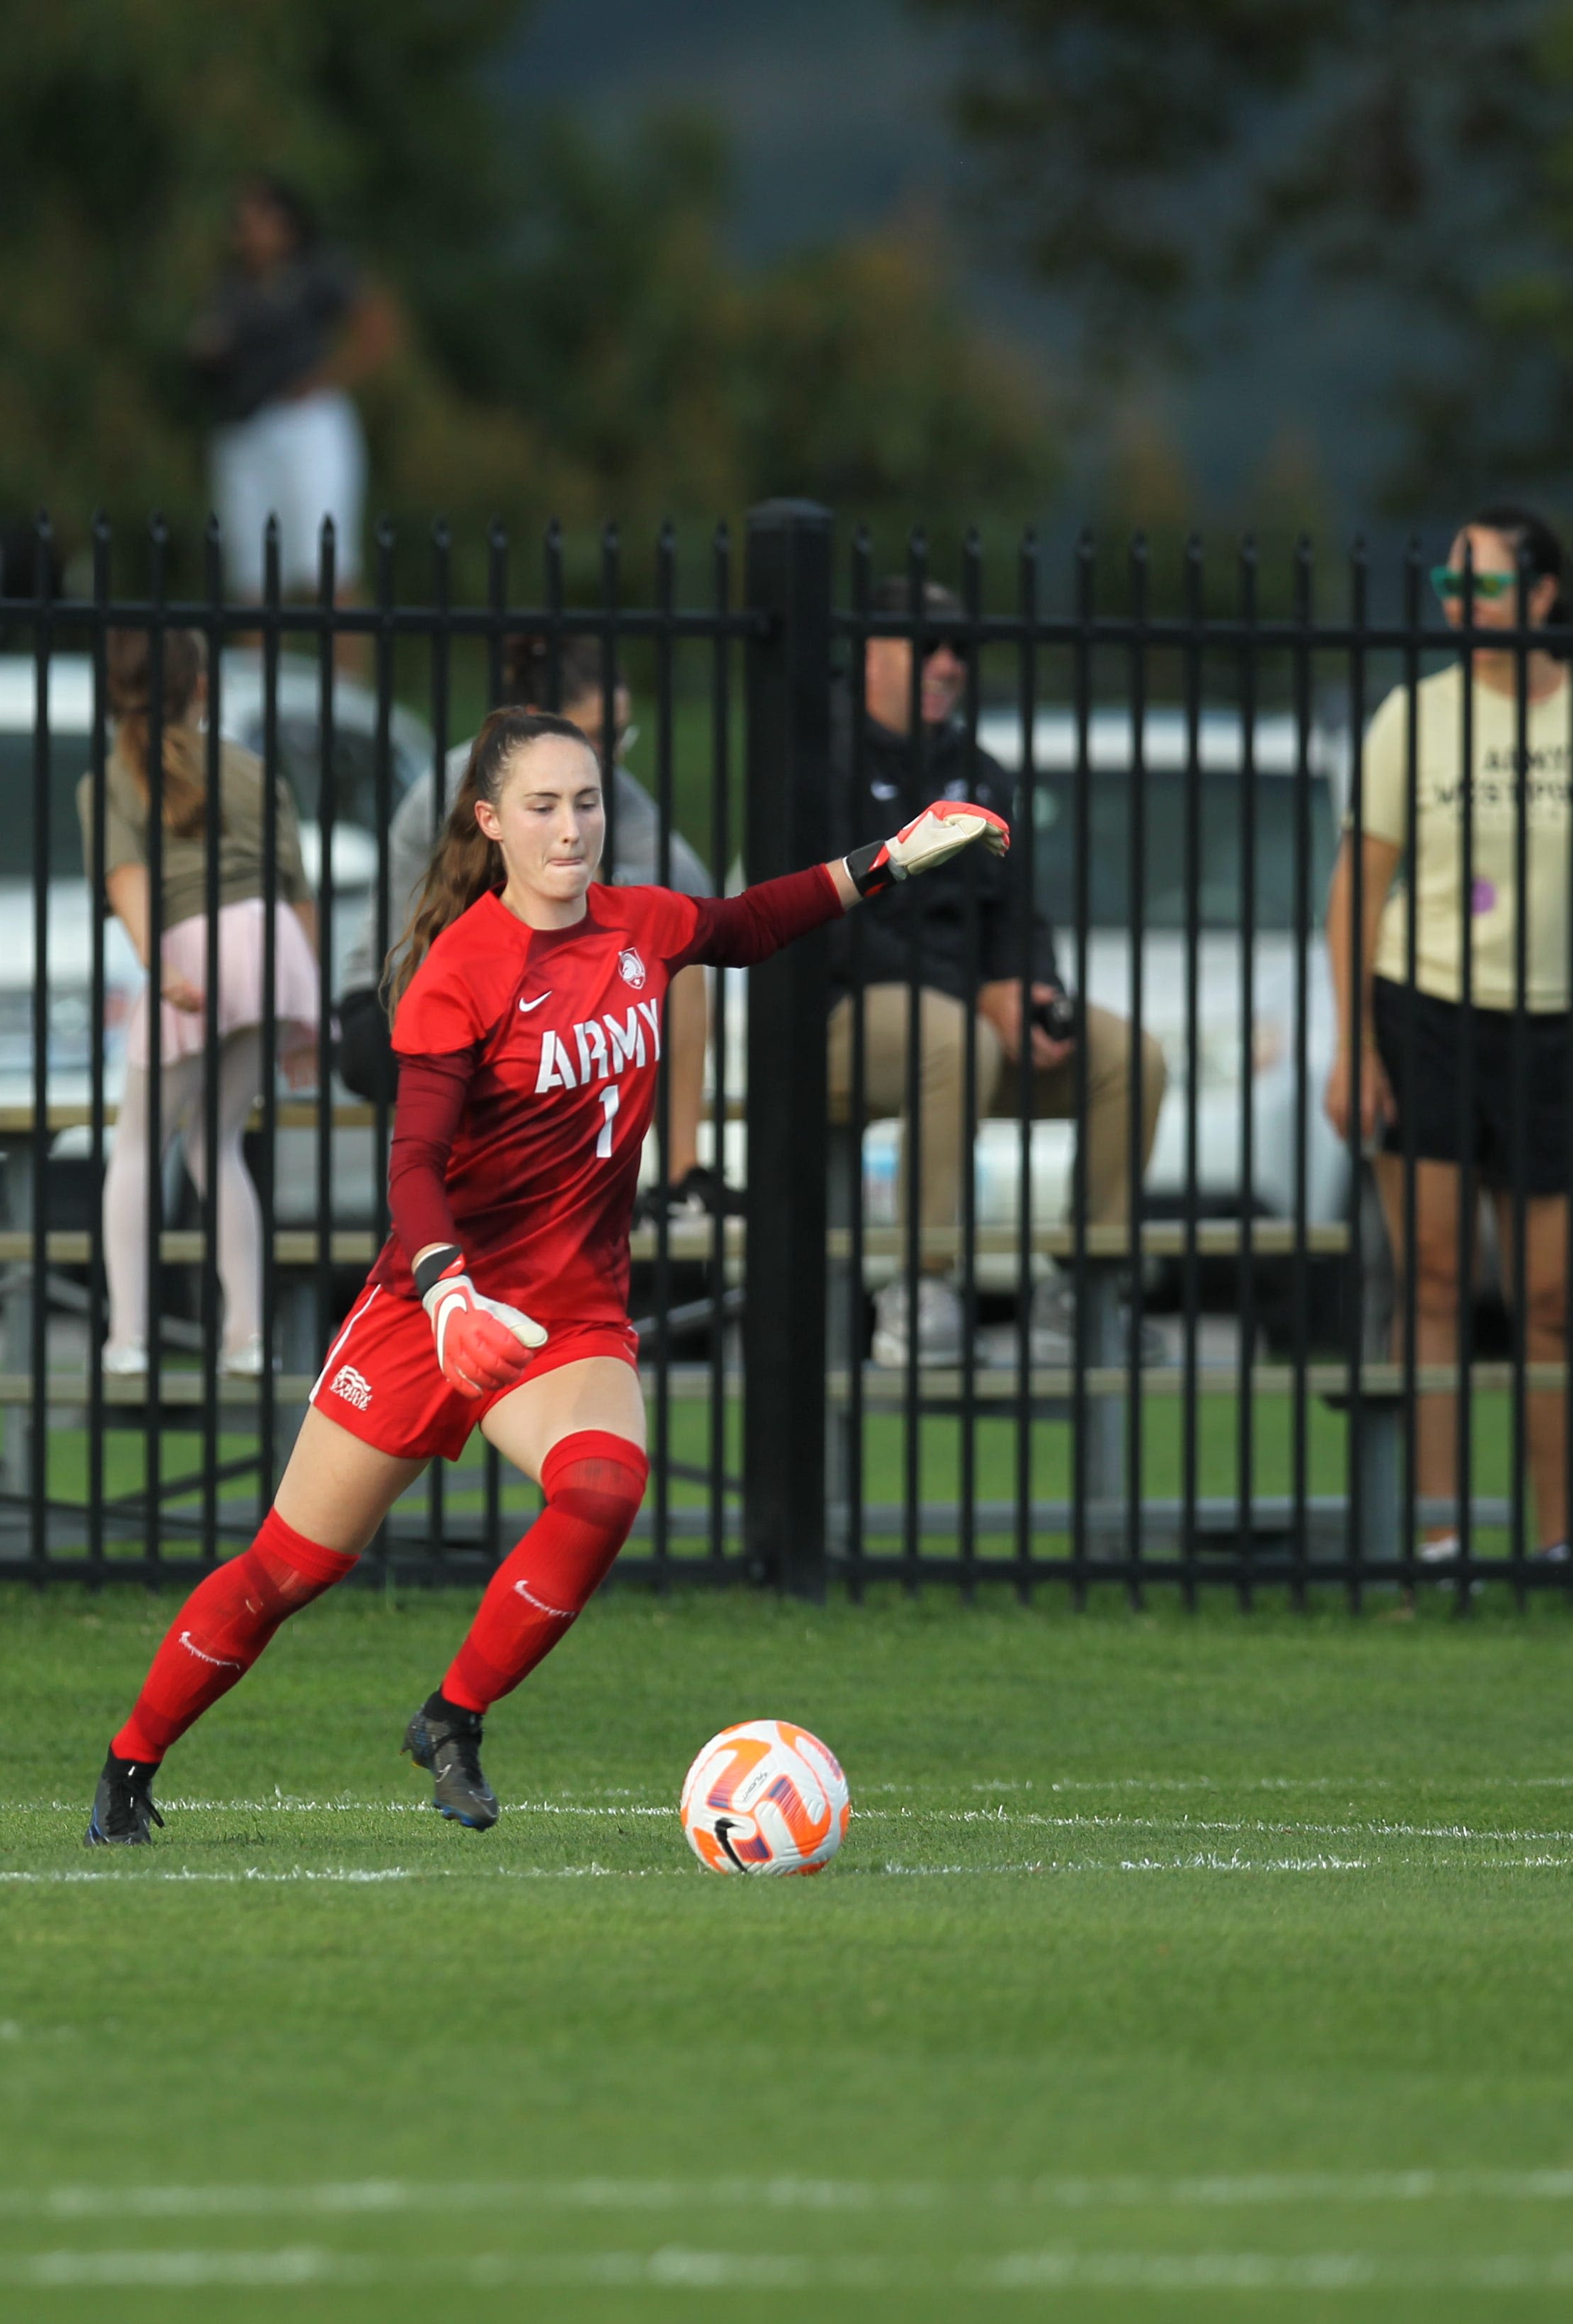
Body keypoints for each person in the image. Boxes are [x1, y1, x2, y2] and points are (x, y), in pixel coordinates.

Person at [84, 711, 1007, 1843]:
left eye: (587, 802)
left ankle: (452, 1717)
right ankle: (129, 1768)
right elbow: (413, 1163)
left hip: (564, 1316)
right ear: (489, 824)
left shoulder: (639, 925)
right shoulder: (461, 969)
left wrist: (888, 859)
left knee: (605, 1490)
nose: (572, 828)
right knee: (288, 1570)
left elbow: (750, 922)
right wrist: (446, 1289)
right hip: (432, 1310)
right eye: (542, 806)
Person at [1322, 504, 1573, 1588]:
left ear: (1541, 597)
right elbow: (1357, 893)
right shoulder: (1412, 719)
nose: (1457, 601)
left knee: (1546, 1307)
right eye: (1450, 581)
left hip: (1561, 1027)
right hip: (1423, 1016)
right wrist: (1356, 1051)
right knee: (1431, 1285)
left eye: (1480, 582)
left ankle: (1559, 1541)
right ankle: (1438, 1541)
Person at [833, 578, 1166, 1367]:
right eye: (929, 646)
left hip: (963, 1027)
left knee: (1128, 1058)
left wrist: (1035, 989)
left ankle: (1084, 1292)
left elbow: (1019, 915)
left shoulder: (978, 769)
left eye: (963, 650)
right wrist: (982, 998)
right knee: (956, 1041)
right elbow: (833, 932)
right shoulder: (825, 756)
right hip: (839, 1018)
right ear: (875, 651)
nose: (949, 665)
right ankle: (922, 1290)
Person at [365, 634, 729, 1215]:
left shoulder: (597, 780)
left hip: (521, 995)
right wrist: (594, 869)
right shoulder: (469, 777)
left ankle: (683, 1174)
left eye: (622, 734)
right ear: (536, 725)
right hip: (396, 998)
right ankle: (579, 1188)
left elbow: (689, 885)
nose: (614, 753)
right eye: (599, 734)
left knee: (674, 952)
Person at [78, 627, 323, 1378]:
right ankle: (246, 1336)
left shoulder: (112, 775)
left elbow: (127, 880)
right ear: (201, 689)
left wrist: (160, 965)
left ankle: (129, 1337)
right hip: (275, 948)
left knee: (138, 1146)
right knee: (215, 1145)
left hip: (193, 945)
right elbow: (297, 891)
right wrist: (305, 1017)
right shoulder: (252, 770)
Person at [185, 177, 399, 604]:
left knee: (325, 564)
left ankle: (345, 674)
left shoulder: (315, 273)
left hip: (302, 421)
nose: (243, 233)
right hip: (241, 428)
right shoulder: (231, 287)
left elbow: (378, 326)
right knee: (252, 575)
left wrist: (327, 377)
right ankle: (258, 670)